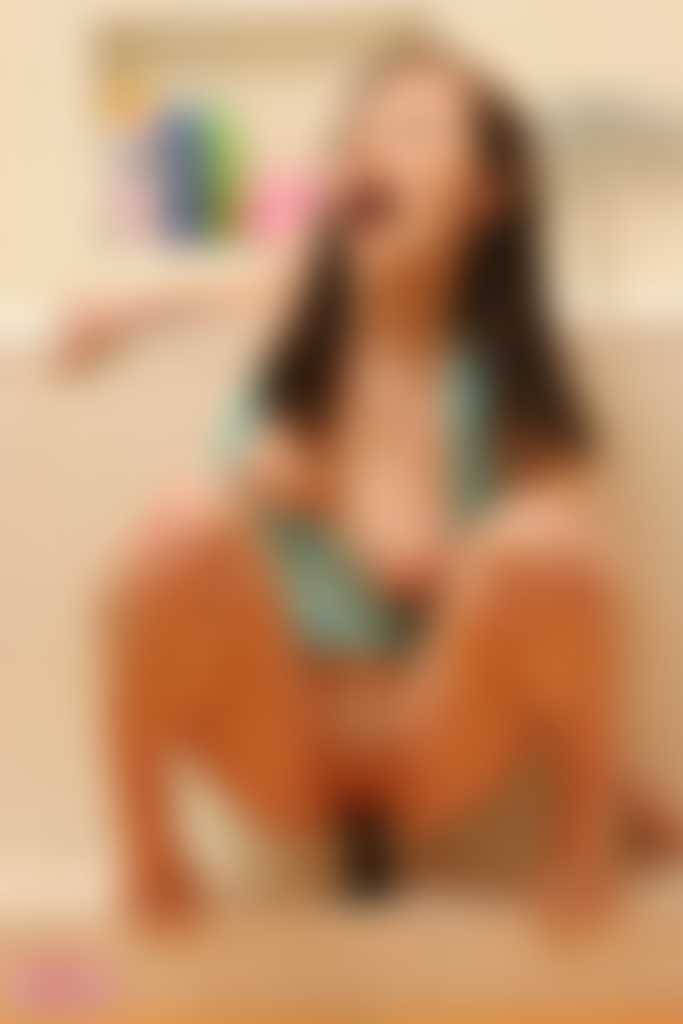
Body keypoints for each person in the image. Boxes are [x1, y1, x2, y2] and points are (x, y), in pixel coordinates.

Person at [57, 39, 680, 926]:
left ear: (490, 191)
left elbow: (571, 598)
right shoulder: (296, 324)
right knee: (181, 525)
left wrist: (373, 528)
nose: (372, 147)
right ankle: (151, 861)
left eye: (414, 130)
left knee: (544, 543)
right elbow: (240, 287)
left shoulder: (501, 377)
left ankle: (581, 849)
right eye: (358, 133)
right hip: (276, 744)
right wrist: (123, 312)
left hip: (434, 746)